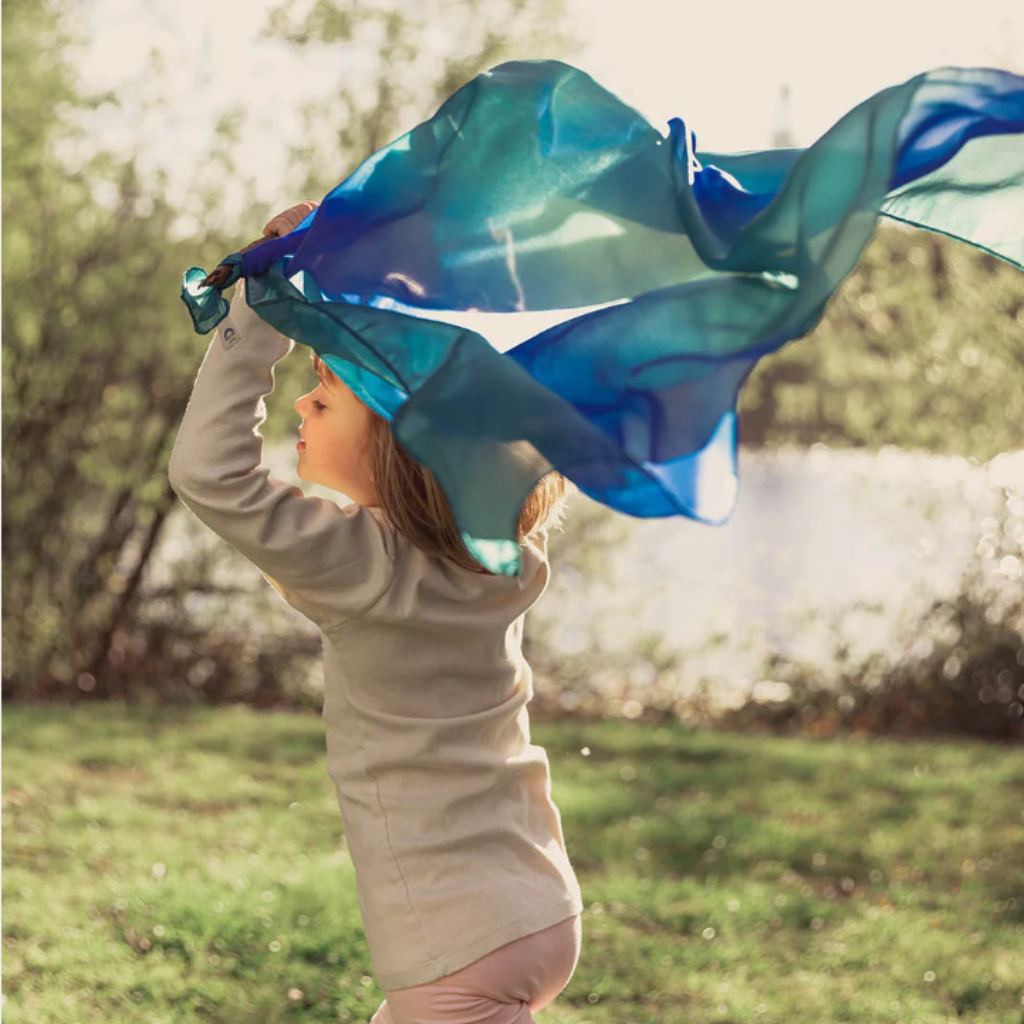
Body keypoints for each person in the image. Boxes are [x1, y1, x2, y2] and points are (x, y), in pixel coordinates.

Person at [167, 202, 585, 1024]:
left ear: (397, 445)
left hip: (452, 943)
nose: (301, 408)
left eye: (324, 399)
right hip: (536, 906)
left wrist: (258, 315)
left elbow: (210, 475)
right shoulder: (501, 557)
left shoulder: (369, 567)